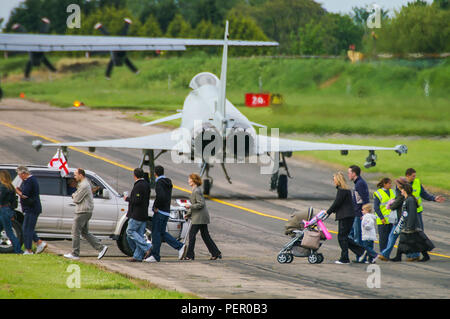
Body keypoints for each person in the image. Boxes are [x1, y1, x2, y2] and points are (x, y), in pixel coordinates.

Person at [144, 165, 187, 263]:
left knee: (155, 234)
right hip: (166, 211)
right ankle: (179, 247)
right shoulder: (168, 182)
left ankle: (156, 255)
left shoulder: (159, 182)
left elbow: (161, 196)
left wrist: (155, 206)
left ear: (155, 174)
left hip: (160, 212)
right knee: (162, 233)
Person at [64, 168, 108, 260]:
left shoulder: (84, 185)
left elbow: (76, 199)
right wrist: (75, 194)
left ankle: (75, 254)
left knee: (75, 232)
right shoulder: (83, 184)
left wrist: (74, 195)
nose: (74, 177)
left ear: (81, 175)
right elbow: (77, 195)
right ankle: (101, 248)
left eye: (76, 175)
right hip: (85, 211)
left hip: (82, 211)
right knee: (85, 232)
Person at [404, 168, 445, 261]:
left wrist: (434, 198)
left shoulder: (417, 182)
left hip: (417, 212)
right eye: (413, 176)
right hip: (408, 213)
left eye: (415, 176)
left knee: (418, 233)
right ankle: (414, 255)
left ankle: (422, 254)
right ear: (407, 175)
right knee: (409, 234)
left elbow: (424, 194)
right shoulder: (402, 184)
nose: (415, 177)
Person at [326, 172, 365, 264]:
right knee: (345, 237)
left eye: (334, 180)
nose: (333, 181)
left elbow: (337, 203)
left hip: (345, 216)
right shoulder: (345, 190)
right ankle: (363, 252)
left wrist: (327, 212)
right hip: (348, 216)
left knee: (342, 237)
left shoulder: (342, 190)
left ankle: (345, 258)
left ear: (338, 180)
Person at [390, 183, 435, 262]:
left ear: (405, 190)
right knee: (406, 240)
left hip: (411, 226)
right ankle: (399, 256)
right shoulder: (407, 199)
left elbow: (412, 213)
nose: (401, 191)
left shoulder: (410, 200)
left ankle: (399, 256)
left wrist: (409, 226)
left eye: (402, 189)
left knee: (415, 241)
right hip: (406, 224)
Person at [183, 173, 221, 261]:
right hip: (201, 216)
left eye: (189, 179)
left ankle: (190, 255)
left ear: (193, 180)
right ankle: (216, 252)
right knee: (205, 235)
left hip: (199, 217)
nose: (188, 181)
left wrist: (189, 207)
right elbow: (195, 204)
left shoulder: (196, 191)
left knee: (192, 235)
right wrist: (188, 214)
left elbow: (200, 204)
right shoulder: (195, 190)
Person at [15, 166, 47, 255]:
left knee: (27, 229)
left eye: (19, 175)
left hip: (32, 208)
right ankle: (39, 243)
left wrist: (17, 191)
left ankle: (28, 250)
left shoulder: (30, 181)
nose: (19, 176)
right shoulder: (29, 180)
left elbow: (25, 195)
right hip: (30, 208)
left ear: (24, 173)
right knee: (27, 228)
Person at [124, 168, 152, 262]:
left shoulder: (139, 186)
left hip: (137, 214)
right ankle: (137, 256)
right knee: (139, 235)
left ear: (134, 175)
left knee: (130, 231)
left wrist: (127, 198)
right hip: (144, 214)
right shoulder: (146, 185)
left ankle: (147, 247)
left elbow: (137, 200)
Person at [378, 178, 407, 261]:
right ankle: (413, 255)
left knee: (393, 236)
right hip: (399, 219)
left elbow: (395, 204)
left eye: (397, 184)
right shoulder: (399, 192)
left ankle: (385, 254)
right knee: (403, 238)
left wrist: (390, 205)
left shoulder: (401, 194)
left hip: (399, 219)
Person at [0, 170, 22, 254]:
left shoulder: (3, 187)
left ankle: (18, 250)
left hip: (3, 210)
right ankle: (18, 249)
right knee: (8, 230)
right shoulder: (11, 187)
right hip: (8, 209)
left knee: (9, 232)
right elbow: (14, 202)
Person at [348, 165, 369, 245]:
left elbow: (365, 199)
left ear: (354, 173)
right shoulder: (358, 183)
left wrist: (364, 213)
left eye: (349, 173)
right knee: (352, 235)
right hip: (356, 213)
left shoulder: (359, 184)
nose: (348, 175)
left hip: (359, 214)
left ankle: (361, 256)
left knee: (358, 239)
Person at [373, 178, 395, 252]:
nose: (391, 185)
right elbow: (376, 207)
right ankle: (382, 253)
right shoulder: (378, 193)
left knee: (390, 238)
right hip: (382, 220)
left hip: (391, 220)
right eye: (389, 183)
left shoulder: (393, 192)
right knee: (383, 238)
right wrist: (382, 218)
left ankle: (387, 253)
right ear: (384, 184)